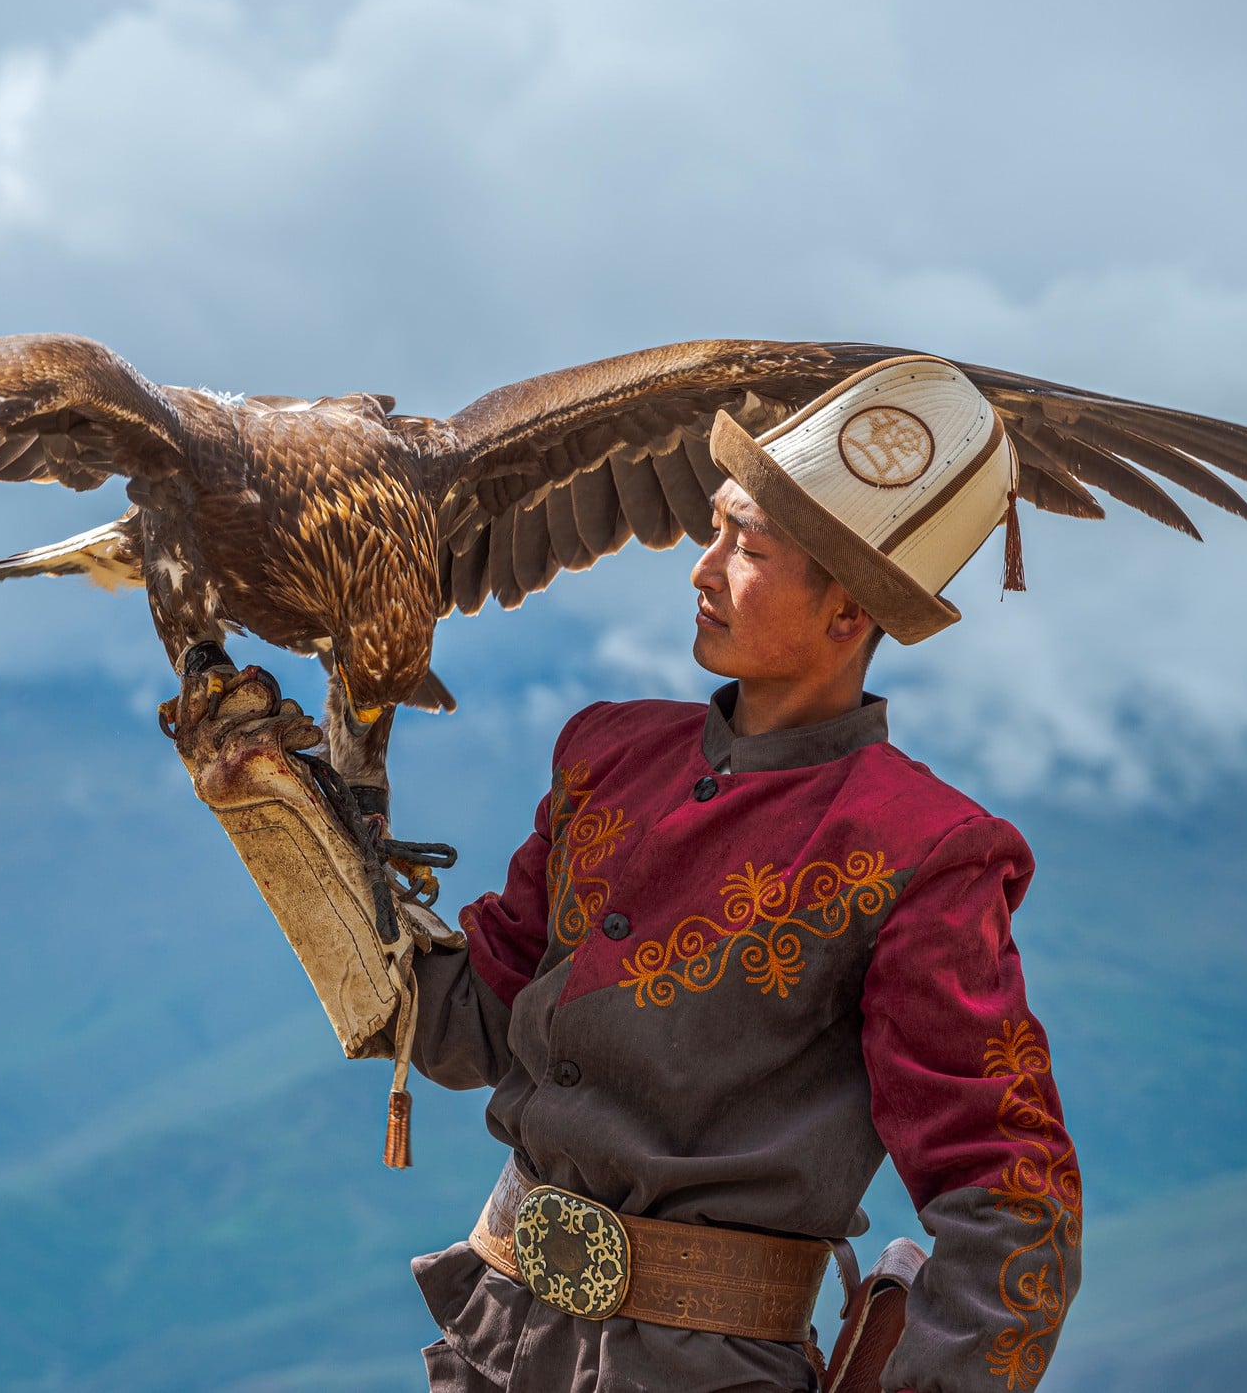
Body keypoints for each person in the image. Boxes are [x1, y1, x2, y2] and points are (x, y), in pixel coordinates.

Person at [401, 358, 1082, 1392]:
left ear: (846, 613)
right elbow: (472, 1026)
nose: (701, 568)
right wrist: (287, 825)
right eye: (711, 529)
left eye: (746, 547)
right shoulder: (605, 755)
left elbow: (1009, 1186)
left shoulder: (922, 848)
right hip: (492, 1336)